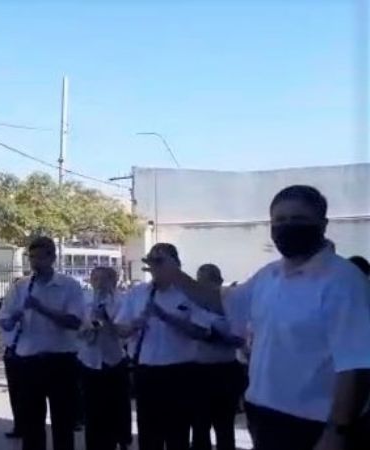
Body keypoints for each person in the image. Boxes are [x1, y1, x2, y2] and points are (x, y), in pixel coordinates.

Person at [170, 185, 370, 450]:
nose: (287, 227)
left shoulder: (343, 281)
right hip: (265, 419)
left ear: (322, 224)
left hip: (314, 427)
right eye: (279, 220)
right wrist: (173, 274)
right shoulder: (269, 275)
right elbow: (220, 301)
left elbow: (356, 366)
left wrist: (337, 431)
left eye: (298, 219)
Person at [114, 243, 215, 450]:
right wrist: (134, 325)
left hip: (180, 372)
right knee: (149, 435)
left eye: (160, 262)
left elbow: (202, 332)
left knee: (177, 434)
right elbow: (120, 329)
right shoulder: (138, 293)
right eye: (151, 262)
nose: (155, 267)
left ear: (175, 264)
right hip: (146, 372)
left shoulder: (189, 294)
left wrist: (167, 317)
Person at [0, 236, 85, 450]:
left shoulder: (69, 286)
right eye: (32, 258)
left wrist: (41, 308)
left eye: (40, 257)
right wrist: (13, 318)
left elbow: (74, 322)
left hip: (61, 361)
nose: (35, 263)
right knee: (31, 423)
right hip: (29, 361)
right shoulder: (21, 286)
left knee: (63, 422)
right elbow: (5, 322)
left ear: (52, 258)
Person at [77, 266, 132, 450]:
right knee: (92, 408)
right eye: (95, 279)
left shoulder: (122, 301)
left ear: (113, 281)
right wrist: (88, 326)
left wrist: (106, 320)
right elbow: (76, 328)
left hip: (114, 359)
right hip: (89, 360)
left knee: (117, 406)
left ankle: (120, 440)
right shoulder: (84, 300)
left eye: (104, 279)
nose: (99, 283)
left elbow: (124, 332)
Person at [190, 264, 244, 450]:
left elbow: (238, 338)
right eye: (199, 281)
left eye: (206, 281)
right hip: (200, 370)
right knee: (199, 426)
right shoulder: (194, 304)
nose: (202, 285)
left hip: (225, 369)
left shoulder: (231, 304)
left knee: (224, 427)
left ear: (218, 281)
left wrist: (212, 334)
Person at [0, 298, 25, 439]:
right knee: (14, 391)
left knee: (27, 392)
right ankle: (18, 425)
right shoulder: (6, 310)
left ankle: (28, 425)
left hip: (27, 353)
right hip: (11, 352)